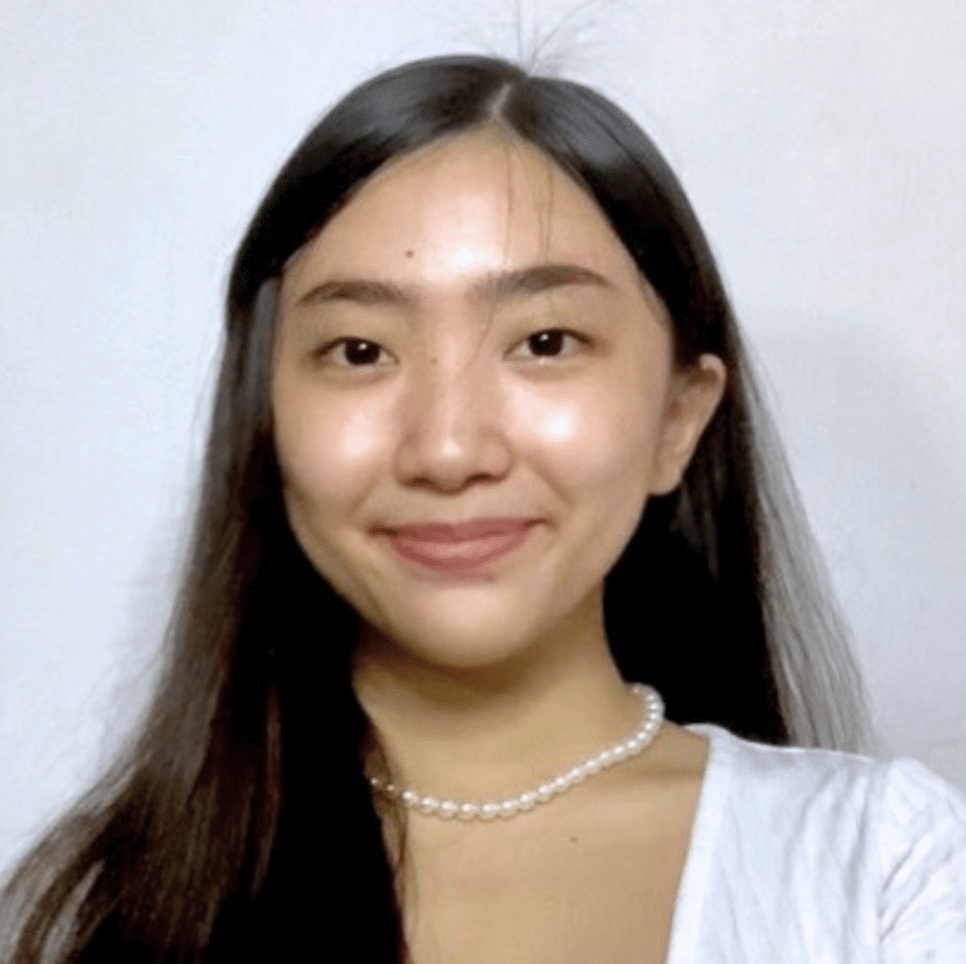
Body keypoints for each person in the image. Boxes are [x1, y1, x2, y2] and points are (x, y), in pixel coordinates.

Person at [3, 54, 964, 963]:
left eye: (545, 342)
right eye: (360, 352)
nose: (449, 450)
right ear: (264, 419)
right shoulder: (99, 911)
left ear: (679, 417)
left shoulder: (884, 873)